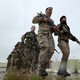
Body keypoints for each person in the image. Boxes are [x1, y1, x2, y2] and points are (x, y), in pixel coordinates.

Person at [32, 7, 56, 76]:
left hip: (49, 36)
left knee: (51, 50)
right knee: (45, 47)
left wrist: (54, 28)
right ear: (46, 11)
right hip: (42, 34)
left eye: (51, 10)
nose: (50, 11)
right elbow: (33, 20)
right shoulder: (41, 15)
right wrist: (42, 19)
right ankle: (40, 69)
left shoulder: (52, 21)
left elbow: (53, 30)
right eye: (49, 10)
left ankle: (43, 68)